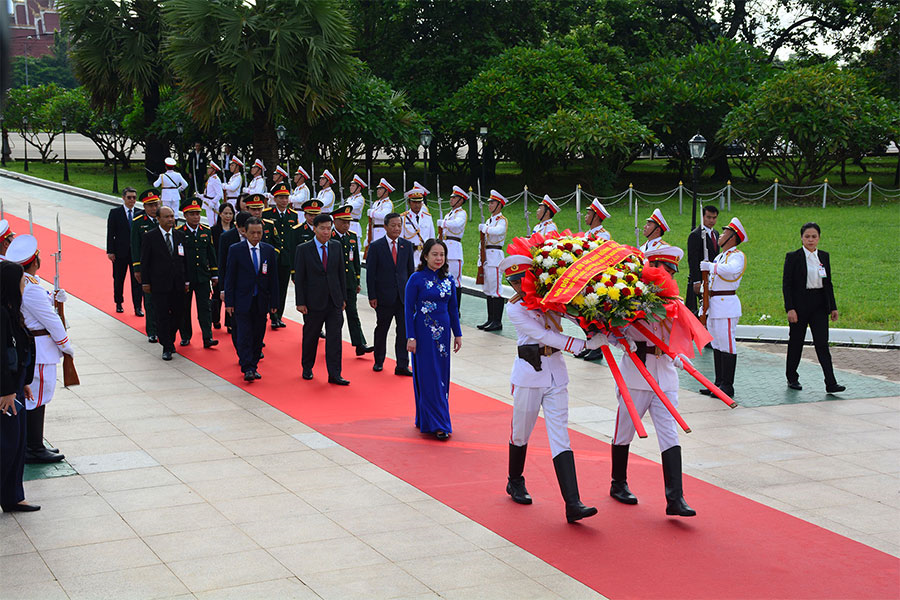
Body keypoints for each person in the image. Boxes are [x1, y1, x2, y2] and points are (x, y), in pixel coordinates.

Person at [501, 254, 602, 523]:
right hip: (529, 375)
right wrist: (584, 345)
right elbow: (544, 336)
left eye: (522, 280)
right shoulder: (515, 309)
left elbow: (574, 313)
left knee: (560, 437)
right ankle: (515, 479)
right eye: (514, 282)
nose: (519, 286)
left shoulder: (550, 298)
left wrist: (598, 327)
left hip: (556, 373)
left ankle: (573, 503)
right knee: (521, 433)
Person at [608, 244, 696, 518]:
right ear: (653, 268)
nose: (669, 276)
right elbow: (609, 329)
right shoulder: (631, 299)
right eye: (665, 270)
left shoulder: (675, 303)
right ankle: (618, 483)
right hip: (636, 376)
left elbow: (675, 338)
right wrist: (622, 341)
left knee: (670, 433)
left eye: (672, 272)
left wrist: (680, 357)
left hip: (665, 376)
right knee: (624, 432)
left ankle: (675, 498)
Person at [6, 234, 72, 465]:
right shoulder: (30, 287)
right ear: (34, 261)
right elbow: (50, 321)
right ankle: (32, 447)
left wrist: (54, 299)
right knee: (37, 397)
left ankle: (34, 444)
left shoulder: (28, 282)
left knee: (38, 397)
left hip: (36, 346)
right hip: (40, 348)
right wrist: (66, 346)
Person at [405, 239, 462, 440]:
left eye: (442, 255)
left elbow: (454, 308)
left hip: (443, 336)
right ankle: (439, 423)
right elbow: (408, 308)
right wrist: (410, 336)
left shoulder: (449, 280)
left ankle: (426, 418)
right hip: (423, 334)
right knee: (429, 376)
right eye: (435, 254)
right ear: (425, 256)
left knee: (441, 376)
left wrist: (458, 333)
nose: (439, 258)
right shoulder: (416, 279)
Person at [783, 222, 845, 393]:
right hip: (799, 305)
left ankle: (831, 382)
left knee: (822, 344)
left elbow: (828, 283)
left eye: (814, 237)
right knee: (796, 342)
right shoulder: (793, 257)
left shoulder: (823, 257)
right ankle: (792, 377)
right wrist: (790, 308)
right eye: (807, 236)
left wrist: (833, 307)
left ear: (819, 238)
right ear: (802, 238)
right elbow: (786, 285)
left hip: (819, 305)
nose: (810, 240)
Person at [0, 260, 39, 512]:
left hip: (16, 385)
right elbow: (1, 355)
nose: (25, 284)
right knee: (7, 443)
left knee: (18, 441)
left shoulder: (13, 308)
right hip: (5, 390)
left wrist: (23, 382)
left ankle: (13, 496)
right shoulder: (1, 312)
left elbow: (21, 347)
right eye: (22, 280)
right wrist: (5, 389)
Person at [294, 214, 348, 385]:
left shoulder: (336, 246)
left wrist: (343, 298)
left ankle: (335, 374)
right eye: (322, 228)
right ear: (314, 228)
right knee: (311, 337)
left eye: (328, 228)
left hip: (334, 300)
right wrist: (300, 301)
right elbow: (300, 277)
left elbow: (340, 274)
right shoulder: (303, 249)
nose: (326, 232)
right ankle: (307, 367)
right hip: (313, 301)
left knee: (334, 339)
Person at [225, 217, 279, 381]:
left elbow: (273, 279)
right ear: (244, 232)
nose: (256, 236)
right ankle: (247, 366)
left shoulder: (268, 250)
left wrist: (274, 302)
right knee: (244, 334)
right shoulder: (236, 250)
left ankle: (254, 364)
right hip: (242, 300)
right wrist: (229, 302)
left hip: (261, 300)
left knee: (258, 335)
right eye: (253, 233)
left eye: (259, 232)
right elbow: (230, 277)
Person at [699, 217, 747, 399]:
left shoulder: (737, 256)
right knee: (717, 344)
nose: (721, 234)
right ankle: (718, 383)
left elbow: (731, 270)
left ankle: (728, 385)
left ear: (733, 237)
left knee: (727, 344)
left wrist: (710, 266)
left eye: (725, 232)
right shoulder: (720, 256)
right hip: (714, 306)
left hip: (726, 305)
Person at [366, 212, 415, 376]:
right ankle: (379, 361)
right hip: (383, 296)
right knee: (382, 329)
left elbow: (410, 273)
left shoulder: (406, 246)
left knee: (403, 331)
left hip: (403, 298)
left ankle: (402, 364)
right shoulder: (376, 246)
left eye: (399, 225)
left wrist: (412, 296)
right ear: (385, 226)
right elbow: (370, 274)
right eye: (393, 225)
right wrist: (372, 295)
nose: (396, 228)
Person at [140, 206, 190, 361]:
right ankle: (167, 347)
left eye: (172, 216)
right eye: (167, 217)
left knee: (178, 314)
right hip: (159, 284)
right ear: (158, 219)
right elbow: (145, 262)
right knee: (161, 316)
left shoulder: (180, 235)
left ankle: (168, 337)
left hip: (178, 283)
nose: (171, 219)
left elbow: (185, 260)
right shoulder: (150, 237)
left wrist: (187, 280)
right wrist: (146, 282)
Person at [177, 199, 219, 349]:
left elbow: (211, 253)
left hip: (202, 276)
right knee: (184, 308)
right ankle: (185, 336)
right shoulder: (180, 232)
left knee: (205, 307)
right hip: (186, 277)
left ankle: (207, 337)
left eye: (197, 214)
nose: (196, 217)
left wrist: (214, 273)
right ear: (186, 215)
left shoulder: (206, 231)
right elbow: (179, 258)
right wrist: (182, 278)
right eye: (192, 214)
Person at [332, 205, 373, 356]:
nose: (346, 225)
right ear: (335, 221)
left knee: (352, 313)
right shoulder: (330, 237)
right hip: (334, 283)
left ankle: (360, 343)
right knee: (334, 316)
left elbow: (355, 261)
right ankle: (333, 342)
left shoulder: (352, 237)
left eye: (348, 222)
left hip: (349, 282)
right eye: (343, 222)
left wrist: (357, 281)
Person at [263, 184, 300, 329]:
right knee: (271, 286)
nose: (284, 201)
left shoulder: (293, 215)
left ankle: (278, 315)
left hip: (286, 257)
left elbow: (293, 238)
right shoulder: (267, 214)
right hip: (272, 256)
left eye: (286, 198)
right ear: (275, 198)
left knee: (283, 288)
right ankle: (271, 314)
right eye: (281, 198)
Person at [106, 187, 143, 315]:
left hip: (136, 254)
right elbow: (110, 233)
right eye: (129, 197)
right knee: (118, 279)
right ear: (123, 198)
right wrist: (110, 251)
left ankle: (138, 306)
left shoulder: (140, 213)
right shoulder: (115, 213)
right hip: (120, 252)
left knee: (137, 281)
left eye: (134, 197)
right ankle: (119, 302)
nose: (132, 200)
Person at [131, 189, 161, 342]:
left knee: (162, 300)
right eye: (150, 205)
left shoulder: (163, 219)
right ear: (144, 206)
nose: (153, 208)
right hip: (147, 267)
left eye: (155, 204)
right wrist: (137, 268)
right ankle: (152, 331)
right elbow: (135, 246)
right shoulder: (139, 222)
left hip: (162, 266)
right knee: (149, 300)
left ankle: (162, 328)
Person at [477, 189, 508, 332]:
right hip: (487, 256)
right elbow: (482, 242)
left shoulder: (502, 220)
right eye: (489, 203)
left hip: (495, 255)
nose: (489, 205)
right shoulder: (490, 221)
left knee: (496, 290)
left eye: (493, 203)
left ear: (499, 205)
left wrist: (485, 228)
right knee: (488, 289)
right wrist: (480, 258)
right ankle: (490, 319)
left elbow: (498, 231)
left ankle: (497, 321)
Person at [218, 211, 251, 338]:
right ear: (236, 226)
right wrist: (223, 288)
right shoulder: (226, 238)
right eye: (242, 230)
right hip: (235, 282)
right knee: (237, 315)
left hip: (251, 282)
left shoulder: (256, 234)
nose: (245, 233)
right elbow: (222, 264)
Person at [437, 185, 468, 313]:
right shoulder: (449, 214)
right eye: (451, 197)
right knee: (444, 278)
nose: (451, 199)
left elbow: (456, 224)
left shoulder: (461, 213)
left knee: (455, 281)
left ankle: (456, 309)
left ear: (460, 200)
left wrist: (443, 223)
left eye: (454, 197)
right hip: (445, 247)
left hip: (454, 249)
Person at [686, 205, 719, 315]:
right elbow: (693, 260)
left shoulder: (716, 234)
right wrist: (696, 280)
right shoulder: (695, 235)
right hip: (699, 277)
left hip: (712, 277)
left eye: (714, 218)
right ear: (703, 217)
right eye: (708, 217)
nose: (711, 221)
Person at [210, 203, 235, 330]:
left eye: (230, 213)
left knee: (230, 293)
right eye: (225, 213)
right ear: (220, 214)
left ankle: (230, 322)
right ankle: (215, 318)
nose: (228, 216)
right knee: (217, 294)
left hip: (231, 266)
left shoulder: (235, 230)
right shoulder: (214, 231)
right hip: (218, 266)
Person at [401, 184, 435, 264]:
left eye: (419, 202)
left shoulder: (428, 218)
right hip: (410, 255)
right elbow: (401, 240)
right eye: (414, 202)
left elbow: (431, 238)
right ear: (409, 202)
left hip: (424, 256)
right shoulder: (403, 218)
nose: (417, 205)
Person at [365, 178, 395, 252]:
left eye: (380, 189)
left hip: (382, 231)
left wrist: (372, 213)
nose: (378, 191)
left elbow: (384, 215)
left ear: (386, 191)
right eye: (378, 189)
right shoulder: (376, 203)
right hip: (373, 231)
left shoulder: (388, 203)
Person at [198, 160, 224, 228]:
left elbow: (220, 194)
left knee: (213, 224)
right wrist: (201, 196)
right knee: (210, 223)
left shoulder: (216, 179)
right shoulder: (210, 178)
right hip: (208, 203)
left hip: (213, 205)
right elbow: (209, 193)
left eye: (209, 168)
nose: (208, 170)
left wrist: (213, 202)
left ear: (214, 170)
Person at [346, 174, 367, 238]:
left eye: (353, 186)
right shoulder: (350, 198)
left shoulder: (360, 199)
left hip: (354, 225)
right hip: (347, 223)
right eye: (350, 186)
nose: (350, 187)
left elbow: (349, 207)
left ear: (359, 188)